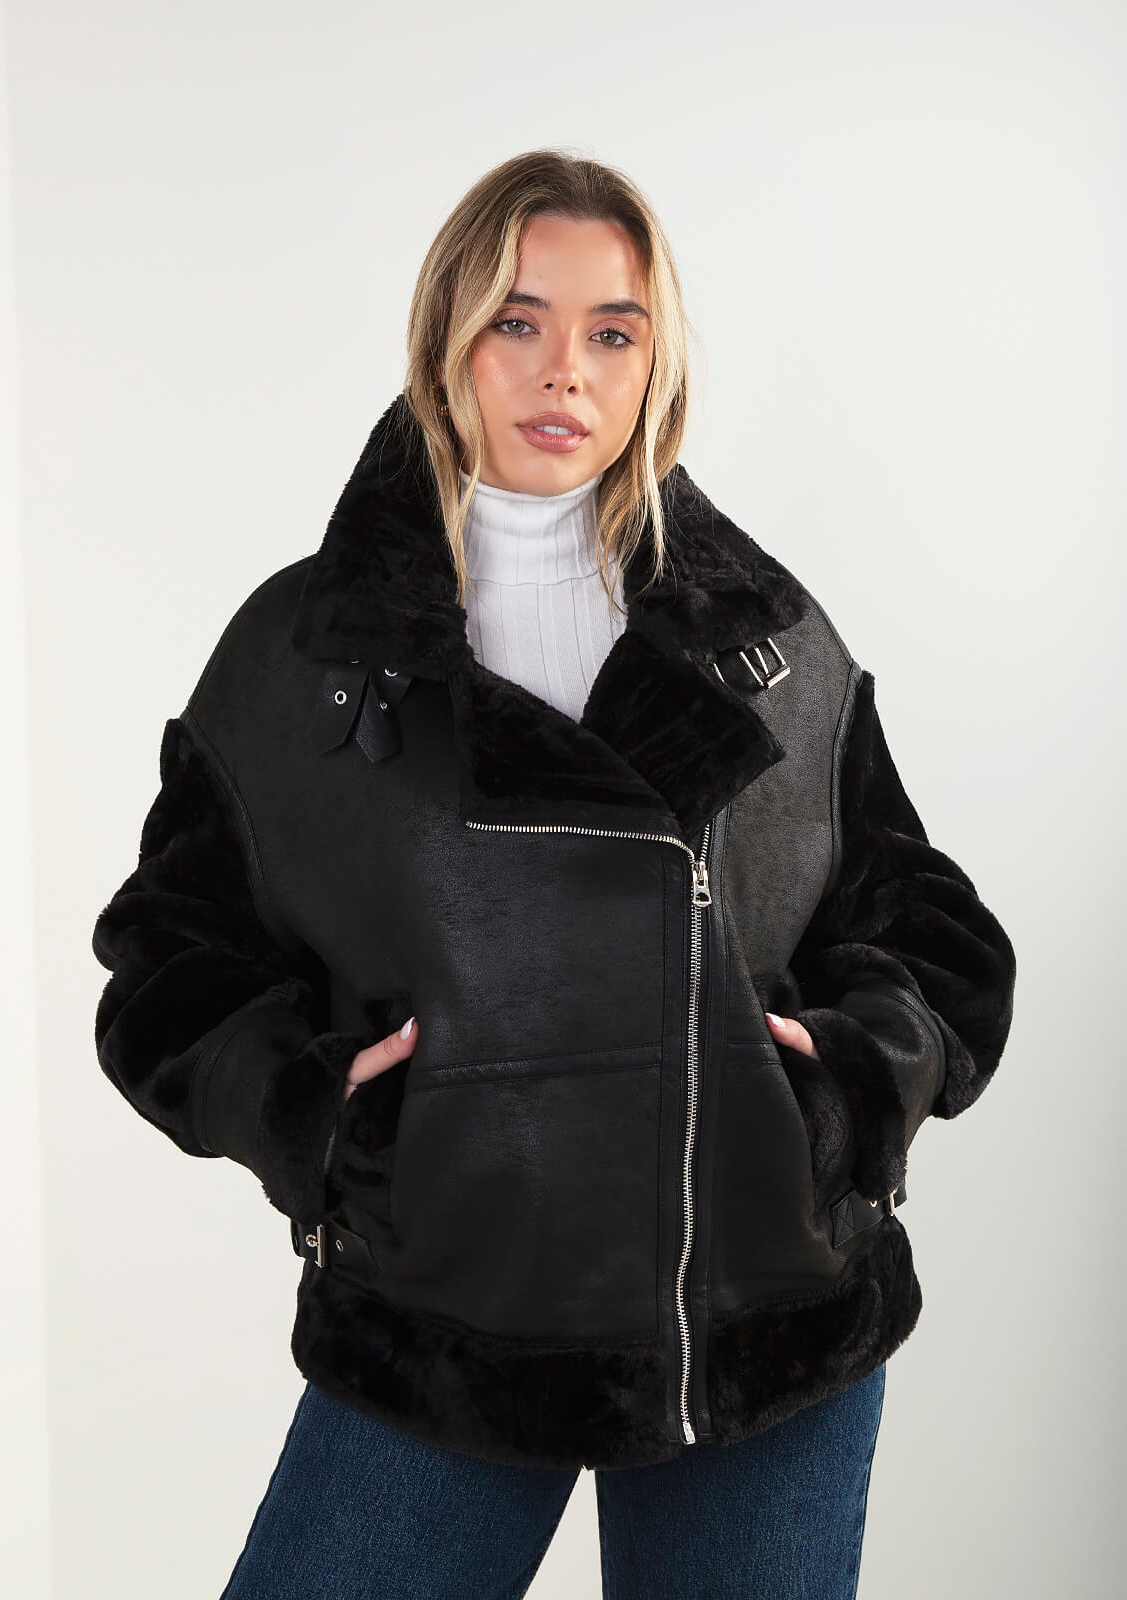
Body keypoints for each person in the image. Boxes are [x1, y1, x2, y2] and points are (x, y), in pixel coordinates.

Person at [90, 149, 1017, 1599]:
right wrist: (317, 1115)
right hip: (449, 1317)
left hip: (760, 1317)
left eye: (612, 330)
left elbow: (928, 924)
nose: (563, 370)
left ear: (656, 365)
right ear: (446, 338)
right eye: (517, 320)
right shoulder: (303, 655)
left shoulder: (768, 637)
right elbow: (170, 962)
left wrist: (845, 1084)